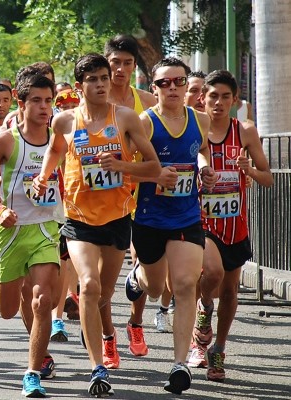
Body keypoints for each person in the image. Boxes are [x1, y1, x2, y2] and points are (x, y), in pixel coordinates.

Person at [34, 53, 161, 397]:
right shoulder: (64, 121)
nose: (102, 84)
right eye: (93, 79)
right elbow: (54, 151)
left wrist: (122, 166)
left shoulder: (126, 118)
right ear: (79, 87)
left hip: (117, 219)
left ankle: (104, 333)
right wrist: (43, 178)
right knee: (88, 285)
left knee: (104, 294)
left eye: (105, 78)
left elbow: (153, 167)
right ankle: (97, 368)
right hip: (78, 220)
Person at [125, 57, 218, 395]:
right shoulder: (145, 123)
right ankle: (135, 275)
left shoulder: (201, 120)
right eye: (165, 83)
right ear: (155, 88)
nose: (174, 88)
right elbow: (124, 169)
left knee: (184, 284)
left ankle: (179, 364)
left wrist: (204, 167)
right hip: (149, 218)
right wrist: (154, 172)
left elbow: (201, 151)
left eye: (179, 81)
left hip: (186, 216)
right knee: (152, 288)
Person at [0, 73, 62, 398]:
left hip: (45, 230)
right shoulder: (7, 140)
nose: (43, 107)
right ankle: (30, 318)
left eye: (48, 100)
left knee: (43, 300)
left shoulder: (58, 139)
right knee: (9, 309)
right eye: (36, 100)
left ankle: (33, 373)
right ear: (21, 104)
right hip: (10, 233)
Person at [188, 70, 272, 381]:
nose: (219, 102)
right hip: (202, 221)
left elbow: (268, 178)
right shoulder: (194, 129)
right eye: (213, 96)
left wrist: (248, 169)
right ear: (203, 99)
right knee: (212, 273)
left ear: (235, 100)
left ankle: (218, 349)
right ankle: (204, 306)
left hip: (235, 223)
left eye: (226, 96)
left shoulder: (246, 131)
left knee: (231, 289)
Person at [104, 34, 158, 363]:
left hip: (142, 193)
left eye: (127, 63)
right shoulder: (96, 102)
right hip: (105, 196)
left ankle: (135, 324)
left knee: (144, 265)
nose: (120, 69)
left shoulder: (148, 102)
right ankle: (107, 335)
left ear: (134, 66)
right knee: (101, 274)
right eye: (115, 63)